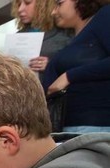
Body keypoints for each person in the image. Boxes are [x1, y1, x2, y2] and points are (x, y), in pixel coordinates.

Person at [43, 0, 110, 133]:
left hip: (93, 126)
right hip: (69, 126)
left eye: (59, 3)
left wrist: (69, 76)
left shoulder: (104, 16)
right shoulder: (76, 38)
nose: (53, 12)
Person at [11, 0, 72, 80]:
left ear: (43, 5)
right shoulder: (16, 37)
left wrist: (51, 66)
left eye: (27, 3)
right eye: (19, 4)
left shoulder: (65, 35)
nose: (20, 9)